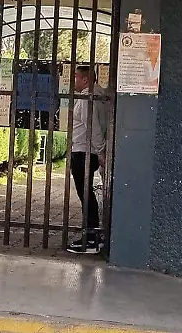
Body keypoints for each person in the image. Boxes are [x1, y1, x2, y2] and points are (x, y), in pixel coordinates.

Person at [67, 64, 110, 254]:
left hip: (83, 151)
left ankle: (91, 238)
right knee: (87, 195)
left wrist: (100, 151)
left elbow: (93, 127)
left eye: (76, 77)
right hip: (89, 151)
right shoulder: (100, 96)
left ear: (85, 79)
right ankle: (93, 235)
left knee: (86, 196)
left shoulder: (87, 99)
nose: (73, 80)